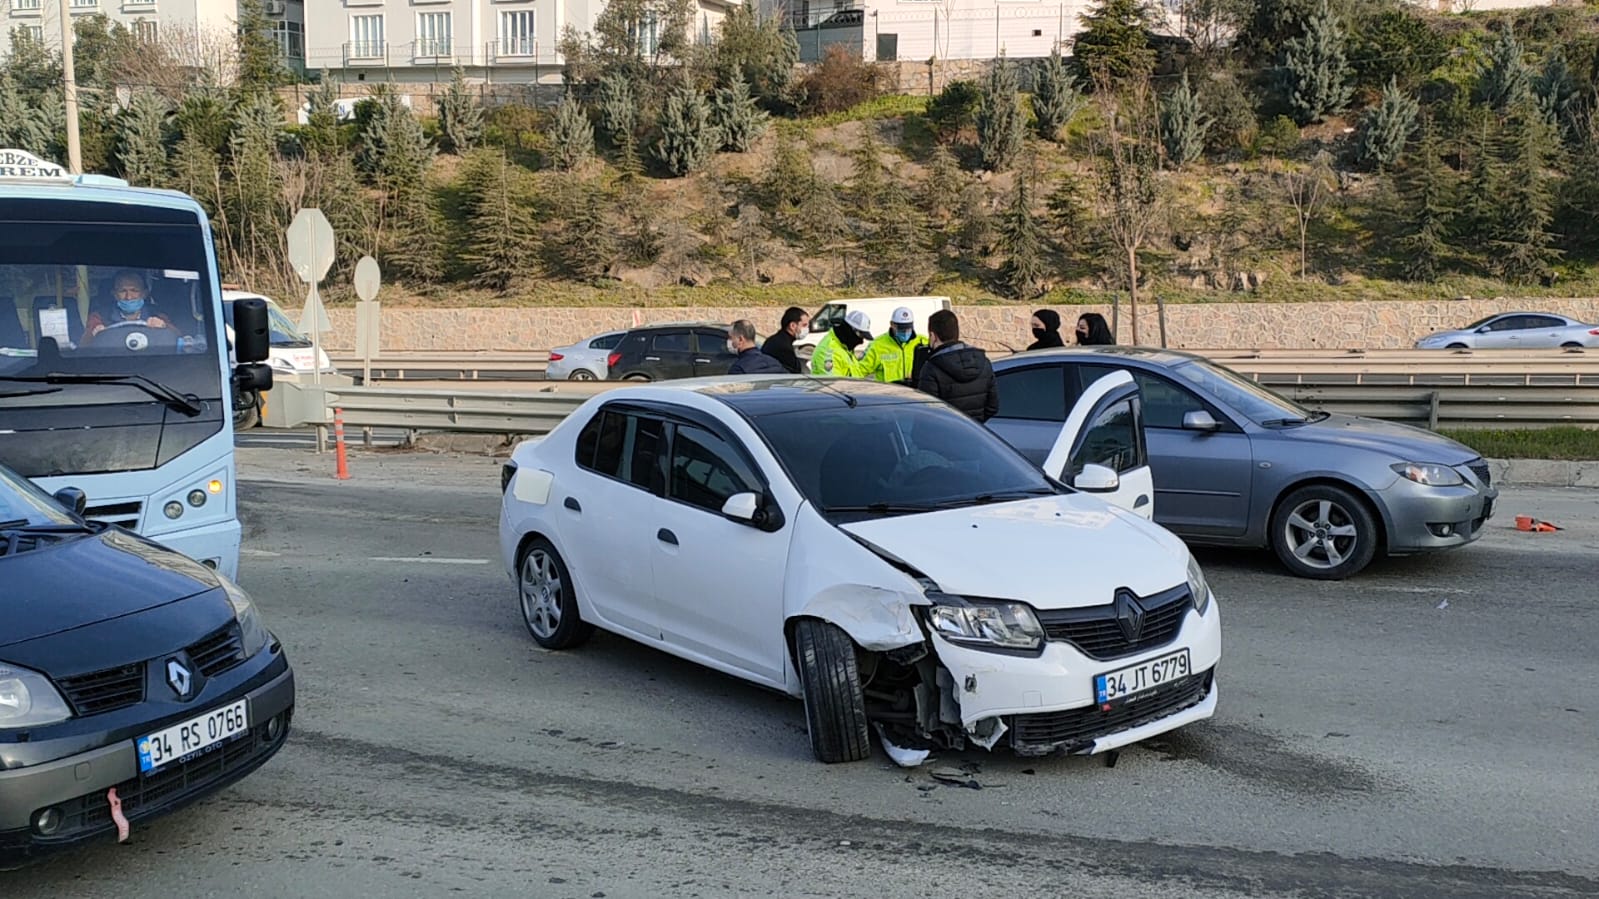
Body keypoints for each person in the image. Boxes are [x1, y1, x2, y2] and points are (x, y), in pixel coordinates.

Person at [916, 309, 998, 421]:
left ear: (933, 336)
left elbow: (927, 413)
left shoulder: (932, 368)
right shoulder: (983, 362)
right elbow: (992, 407)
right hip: (976, 433)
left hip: (945, 434)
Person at [84, 270, 174, 341]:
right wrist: (96, 335)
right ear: (114, 294)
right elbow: (84, 345)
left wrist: (163, 326)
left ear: (144, 293)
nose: (129, 297)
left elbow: (178, 338)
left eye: (134, 290)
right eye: (122, 291)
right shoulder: (98, 316)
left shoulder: (157, 314)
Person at [859, 306, 926, 385]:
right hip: (888, 395)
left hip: (914, 394)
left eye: (908, 328)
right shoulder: (877, 345)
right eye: (901, 329)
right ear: (891, 324)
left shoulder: (923, 342)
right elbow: (860, 370)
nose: (905, 332)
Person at [809, 310, 872, 378]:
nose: (861, 341)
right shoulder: (828, 352)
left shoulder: (845, 348)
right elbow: (833, 385)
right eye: (861, 336)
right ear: (850, 331)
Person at [761, 306, 809, 374]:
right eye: (804, 325)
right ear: (792, 326)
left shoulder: (775, 340)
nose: (807, 329)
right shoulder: (784, 347)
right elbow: (795, 372)